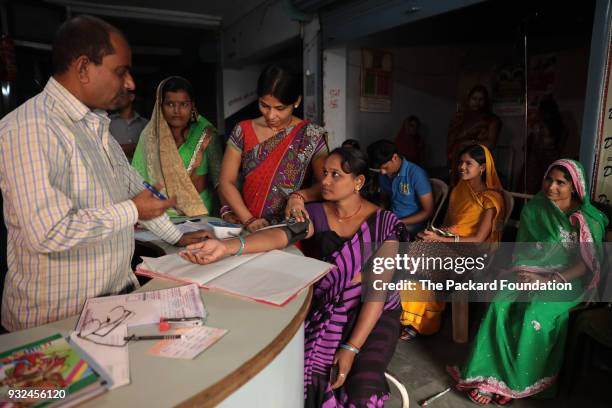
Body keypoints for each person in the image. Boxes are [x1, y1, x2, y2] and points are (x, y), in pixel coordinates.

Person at [0, 16, 209, 331]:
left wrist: (176, 237)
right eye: (120, 71)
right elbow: (48, 232)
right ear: (83, 68)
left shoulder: (96, 127)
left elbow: (136, 190)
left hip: (107, 308)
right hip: (54, 323)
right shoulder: (31, 128)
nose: (130, 84)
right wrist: (133, 210)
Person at [181, 148, 404, 406]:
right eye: (324, 174)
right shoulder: (319, 213)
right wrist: (228, 247)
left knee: (361, 388)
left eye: (336, 175)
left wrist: (351, 348)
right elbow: (281, 235)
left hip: (373, 314)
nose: (326, 182)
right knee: (310, 375)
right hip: (329, 306)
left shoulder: (384, 224)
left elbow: (376, 294)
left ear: (359, 181)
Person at [450, 159, 608, 405]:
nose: (551, 187)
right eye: (549, 179)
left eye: (560, 183)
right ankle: (489, 377)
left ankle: (517, 383)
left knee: (532, 314)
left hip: (567, 280)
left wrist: (548, 280)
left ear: (575, 187)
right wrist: (527, 275)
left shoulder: (586, 219)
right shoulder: (537, 207)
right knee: (499, 304)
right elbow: (526, 249)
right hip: (530, 272)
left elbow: (585, 264)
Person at [400, 144, 505, 339]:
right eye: (460, 162)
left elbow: (479, 239)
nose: (462, 167)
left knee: (419, 254)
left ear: (482, 168)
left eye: (468, 163)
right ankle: (414, 318)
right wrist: (434, 234)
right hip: (450, 243)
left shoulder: (491, 199)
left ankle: (423, 319)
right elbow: (452, 224)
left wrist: (439, 238)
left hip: (473, 251)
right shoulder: (461, 189)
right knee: (417, 249)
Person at [219, 64, 328, 232]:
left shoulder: (311, 135)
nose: (271, 115)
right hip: (245, 224)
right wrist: (248, 219)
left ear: (297, 101)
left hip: (290, 228)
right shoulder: (243, 130)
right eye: (264, 105)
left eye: (280, 108)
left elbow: (327, 185)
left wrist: (298, 196)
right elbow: (227, 181)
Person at [131, 76, 222, 216]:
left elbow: (219, 181)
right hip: (158, 216)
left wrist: (226, 211)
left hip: (199, 214)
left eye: (183, 104)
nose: (177, 111)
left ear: (192, 105)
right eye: (170, 104)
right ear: (160, 105)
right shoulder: (150, 137)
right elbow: (137, 179)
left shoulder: (206, 134)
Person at [367, 139, 434, 236]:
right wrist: (380, 216)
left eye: (385, 167)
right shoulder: (384, 175)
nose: (382, 172)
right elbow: (384, 200)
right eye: (380, 169)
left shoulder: (416, 174)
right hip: (393, 219)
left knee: (383, 238)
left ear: (394, 157)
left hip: (413, 223)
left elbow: (428, 212)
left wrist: (398, 222)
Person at [447, 85, 501, 184]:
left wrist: (469, 143)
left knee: (474, 191)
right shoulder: (461, 117)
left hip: (476, 161)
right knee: (457, 189)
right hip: (456, 159)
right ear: (469, 100)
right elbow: (451, 138)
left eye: (481, 99)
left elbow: (491, 143)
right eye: (474, 99)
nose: (477, 102)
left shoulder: (491, 120)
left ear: (485, 101)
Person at [109, 90, 147, 160]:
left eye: (122, 95)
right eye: (117, 96)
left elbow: (150, 149)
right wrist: (133, 147)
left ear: (131, 97)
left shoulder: (145, 124)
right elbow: (103, 150)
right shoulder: (108, 122)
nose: (118, 98)